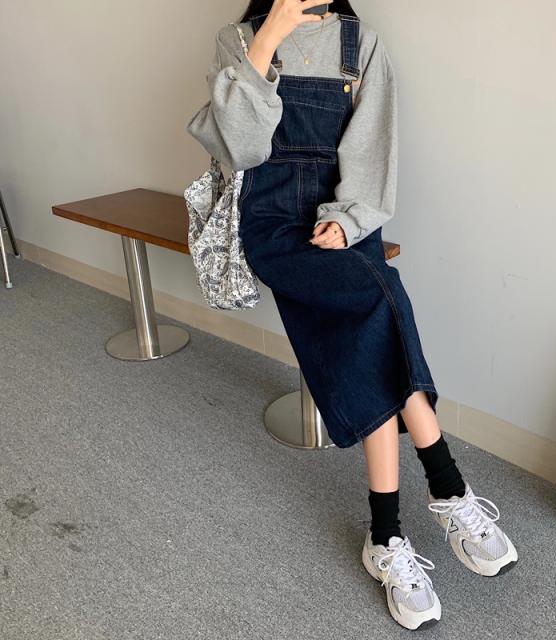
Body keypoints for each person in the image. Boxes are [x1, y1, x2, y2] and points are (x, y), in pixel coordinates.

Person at [187, 0, 518, 630]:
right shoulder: (237, 39)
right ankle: (446, 484)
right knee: (378, 297)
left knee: (369, 323)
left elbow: (373, 152)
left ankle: (386, 533)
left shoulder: (360, 44)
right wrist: (269, 38)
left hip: (344, 220)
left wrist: (347, 220)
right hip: (272, 225)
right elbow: (243, 149)